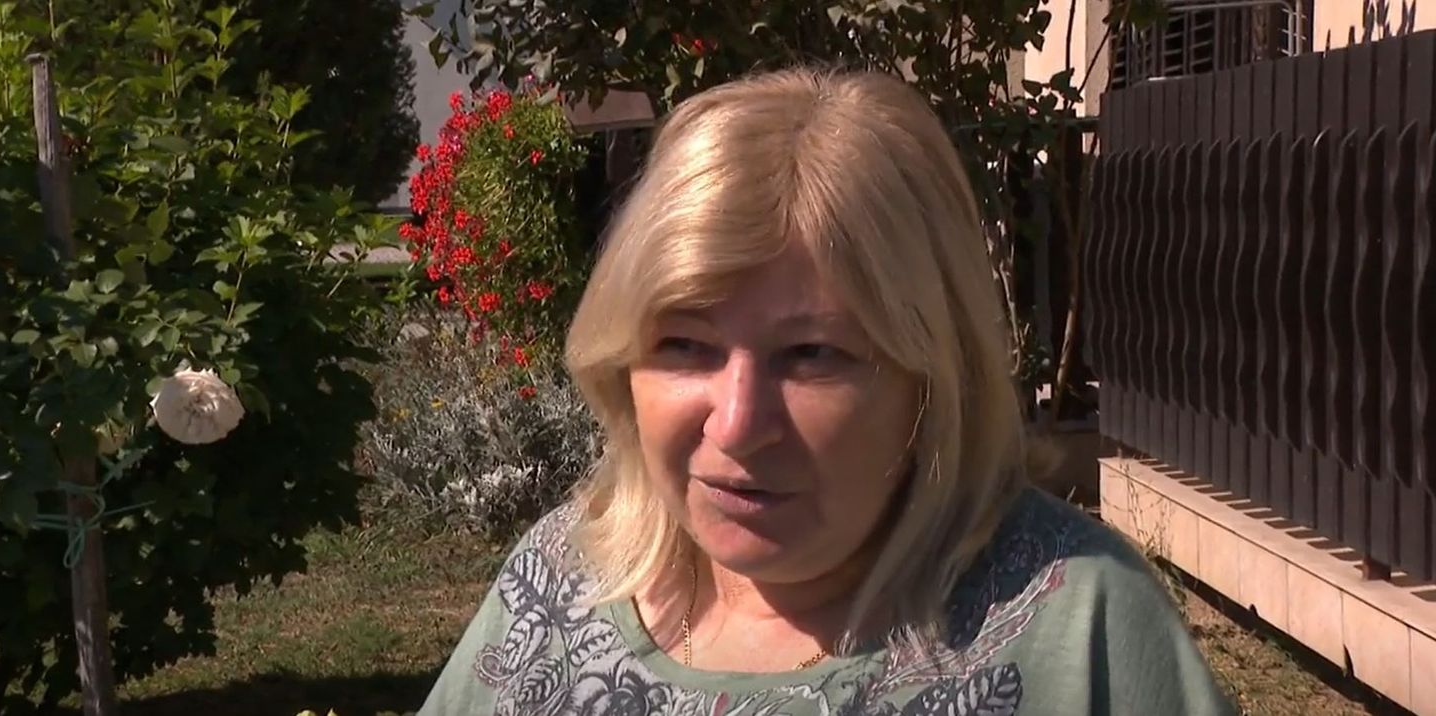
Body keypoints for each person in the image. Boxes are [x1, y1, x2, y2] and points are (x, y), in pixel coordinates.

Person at [420, 67, 1234, 716]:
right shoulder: (563, 578)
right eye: (685, 345)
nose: (739, 424)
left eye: (811, 355)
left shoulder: (1081, 627)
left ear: (931, 378)